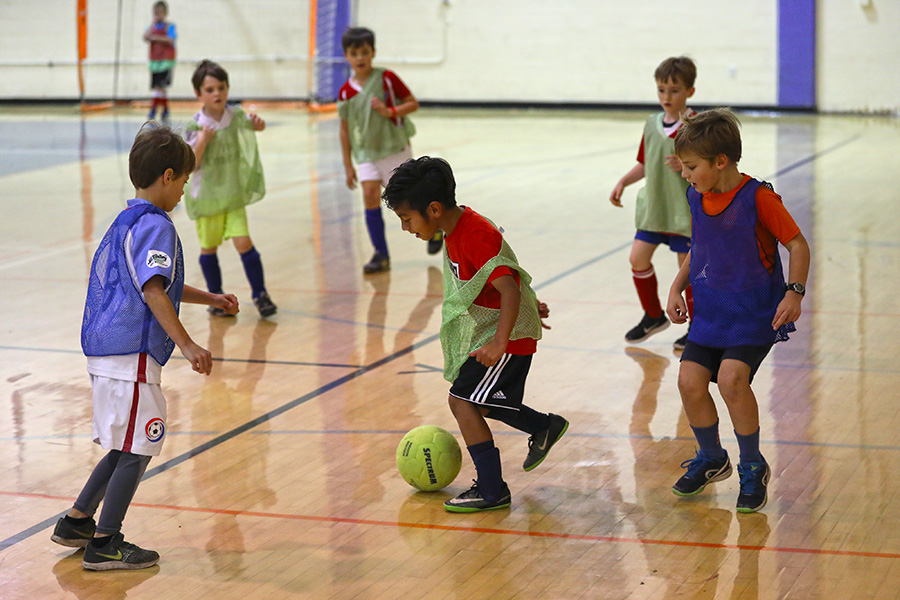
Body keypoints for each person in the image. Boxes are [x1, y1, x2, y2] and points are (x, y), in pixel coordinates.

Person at [50, 124, 239, 569]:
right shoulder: (155, 225)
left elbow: (157, 283)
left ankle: (77, 521)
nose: (184, 191)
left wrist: (210, 298)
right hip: (129, 353)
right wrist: (188, 344)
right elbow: (154, 290)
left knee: (124, 444)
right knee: (141, 445)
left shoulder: (127, 220)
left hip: (108, 352)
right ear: (167, 176)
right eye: (184, 181)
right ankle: (105, 543)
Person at [382, 156, 568, 513]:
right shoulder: (455, 228)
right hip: (501, 330)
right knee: (481, 401)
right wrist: (530, 305)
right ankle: (543, 427)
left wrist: (500, 342)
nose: (405, 227)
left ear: (433, 209)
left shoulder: (474, 234)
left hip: (507, 338)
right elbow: (501, 277)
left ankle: (492, 489)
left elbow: (508, 287)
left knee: (461, 401)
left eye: (406, 219)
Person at [666, 108, 810, 513]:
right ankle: (712, 457)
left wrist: (794, 293)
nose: (685, 175)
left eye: (691, 166)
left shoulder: (758, 198)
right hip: (711, 312)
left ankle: (752, 464)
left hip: (753, 312)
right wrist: (676, 287)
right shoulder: (697, 196)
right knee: (689, 382)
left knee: (731, 379)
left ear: (720, 161)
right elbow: (700, 249)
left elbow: (797, 245)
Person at [338, 26, 443, 275]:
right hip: (366, 153)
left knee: (410, 200)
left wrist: (390, 112)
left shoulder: (386, 78)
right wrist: (348, 164)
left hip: (394, 149)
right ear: (346, 56)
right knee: (369, 193)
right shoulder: (345, 92)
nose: (360, 58)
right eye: (354, 53)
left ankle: (436, 230)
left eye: (365, 52)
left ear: (373, 53)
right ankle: (381, 254)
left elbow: (412, 103)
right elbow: (344, 130)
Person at [610, 56, 698, 349]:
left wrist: (689, 165)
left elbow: (710, 166)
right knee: (637, 258)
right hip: (655, 209)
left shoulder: (696, 125)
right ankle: (653, 316)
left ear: (690, 91)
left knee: (687, 273)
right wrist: (623, 181)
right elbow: (645, 163)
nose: (666, 97)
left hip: (684, 212)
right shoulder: (651, 124)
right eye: (661, 90)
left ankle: (696, 328)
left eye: (674, 90)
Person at [184, 59, 277, 318]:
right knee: (209, 248)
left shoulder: (235, 116)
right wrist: (203, 140)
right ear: (198, 94)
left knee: (244, 242)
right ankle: (216, 298)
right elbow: (191, 164)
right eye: (210, 90)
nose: (217, 94)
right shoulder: (196, 126)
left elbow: (257, 125)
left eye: (221, 88)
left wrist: (258, 123)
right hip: (207, 198)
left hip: (232, 195)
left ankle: (260, 294)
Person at [143, 1, 176, 122]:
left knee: (161, 86)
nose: (158, 16)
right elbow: (146, 37)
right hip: (155, 62)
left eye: (161, 13)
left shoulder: (170, 26)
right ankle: (163, 109)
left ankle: (155, 109)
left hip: (166, 61)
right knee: (157, 87)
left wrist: (155, 38)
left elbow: (170, 40)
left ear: (165, 13)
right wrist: (152, 25)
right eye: (156, 13)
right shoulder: (152, 27)